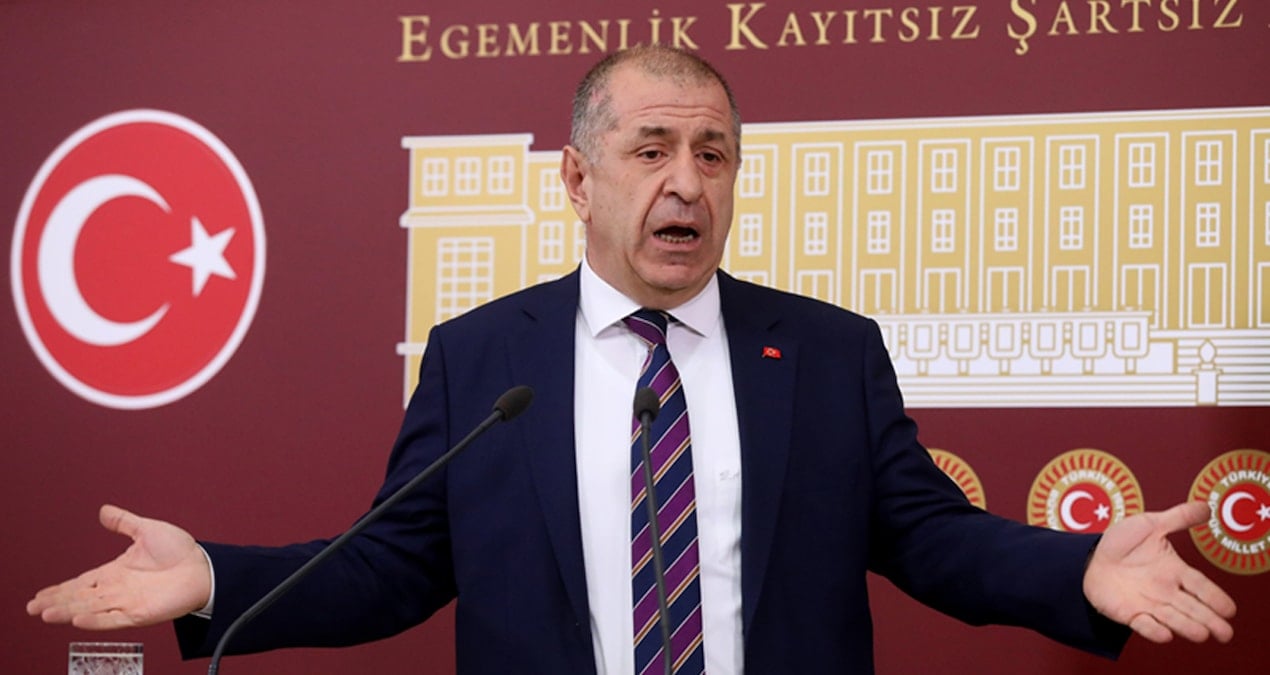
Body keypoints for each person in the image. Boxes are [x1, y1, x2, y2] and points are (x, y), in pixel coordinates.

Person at [28, 45, 1236, 674]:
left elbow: (926, 536)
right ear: (577, 177)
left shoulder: (826, 353)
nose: (686, 184)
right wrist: (216, 580)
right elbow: (395, 567)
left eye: (713, 156)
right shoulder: (480, 359)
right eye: (651, 150)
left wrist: (1075, 569)